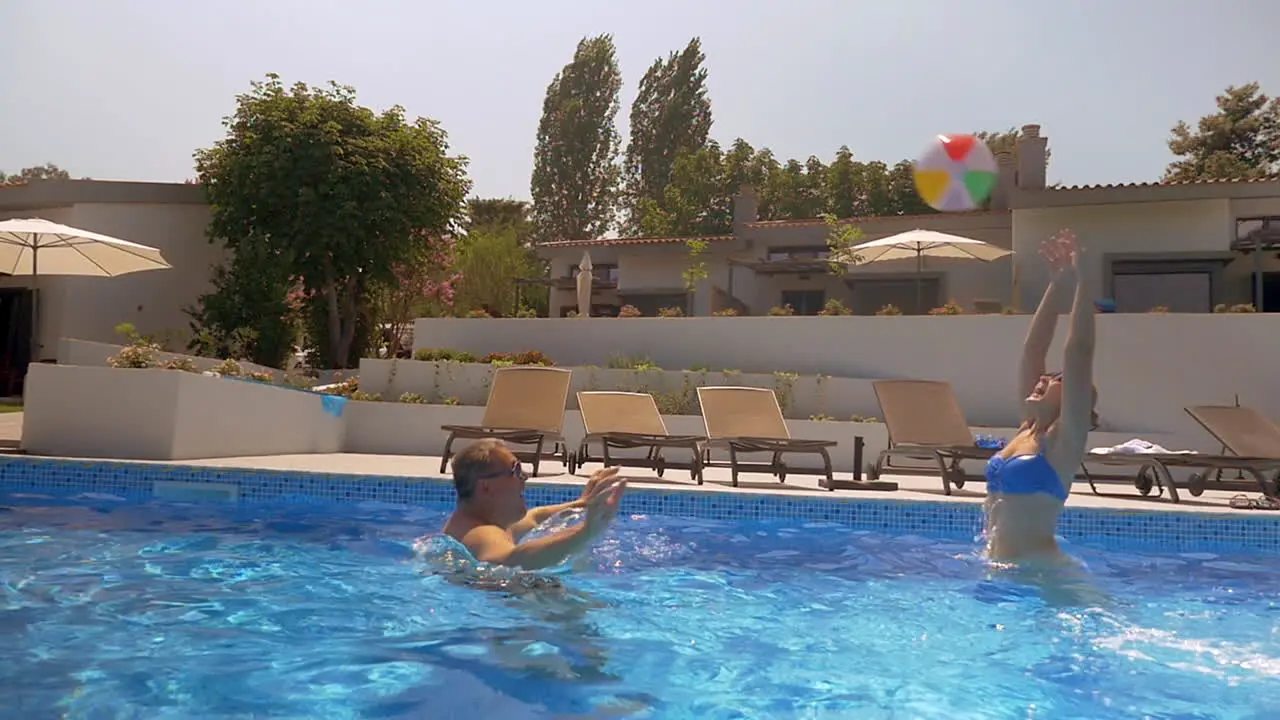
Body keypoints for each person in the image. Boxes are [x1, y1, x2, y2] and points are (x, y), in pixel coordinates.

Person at [984, 229, 1097, 563]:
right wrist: (1058, 284)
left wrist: (1084, 281)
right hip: (1000, 568)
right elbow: (1033, 348)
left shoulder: (1064, 441)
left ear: (1074, 401)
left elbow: (1078, 352)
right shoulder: (1026, 428)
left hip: (1043, 573)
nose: (1043, 378)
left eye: (1055, 379)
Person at [442, 438, 627, 570]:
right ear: (486, 486)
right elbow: (514, 560)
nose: (524, 477)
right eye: (515, 470)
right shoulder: (479, 533)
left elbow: (536, 516)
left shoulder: (487, 520)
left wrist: (582, 503)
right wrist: (586, 531)